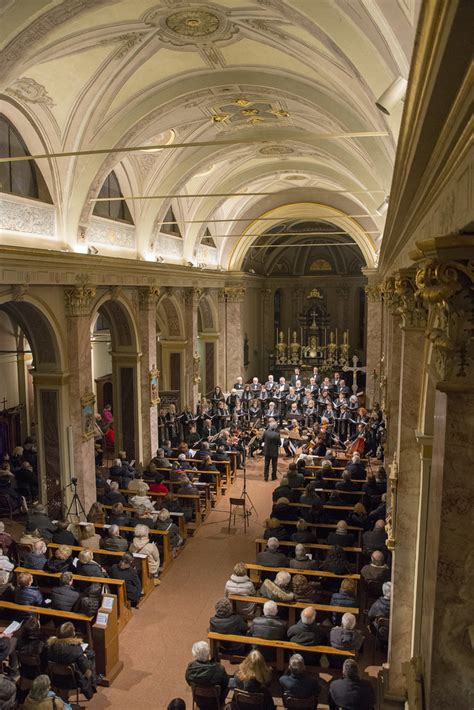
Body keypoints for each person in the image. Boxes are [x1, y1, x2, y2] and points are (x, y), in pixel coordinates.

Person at [47, 622, 99, 700]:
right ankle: (93, 681)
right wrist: (84, 657)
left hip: (54, 678)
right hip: (72, 681)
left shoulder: (50, 647)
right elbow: (85, 668)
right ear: (72, 634)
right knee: (90, 656)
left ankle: (94, 679)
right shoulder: (76, 650)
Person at [185, 640, 228, 709]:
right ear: (208, 653)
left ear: (195, 654)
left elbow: (189, 682)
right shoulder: (219, 669)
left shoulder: (190, 668)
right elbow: (226, 684)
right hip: (216, 702)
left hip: (199, 700)